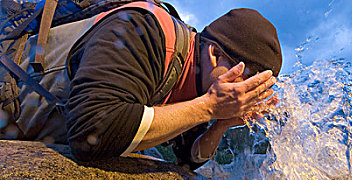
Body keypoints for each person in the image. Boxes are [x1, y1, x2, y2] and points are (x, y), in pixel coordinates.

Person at [65, 4, 282, 168]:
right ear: (215, 54)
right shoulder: (143, 31)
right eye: (249, 80)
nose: (247, 93)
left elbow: (187, 159)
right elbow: (90, 133)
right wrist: (209, 108)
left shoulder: (198, 82)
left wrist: (221, 124)